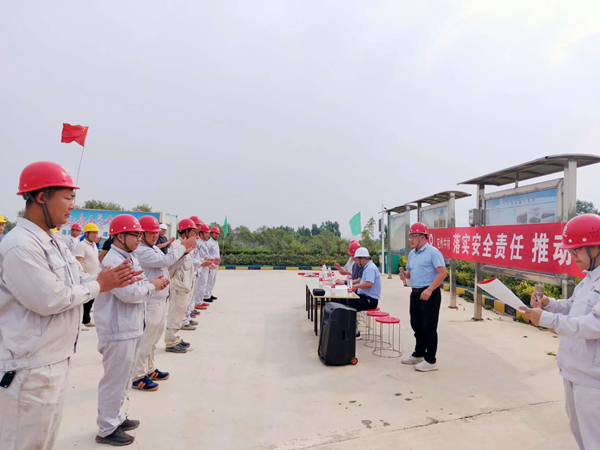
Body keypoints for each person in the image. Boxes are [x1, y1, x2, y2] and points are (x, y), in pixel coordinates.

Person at [0, 161, 137, 450]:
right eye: (68, 198)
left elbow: (76, 278)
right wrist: (101, 284)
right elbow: (50, 298)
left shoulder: (55, 241)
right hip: (29, 367)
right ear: (41, 197)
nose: (72, 206)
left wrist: (106, 278)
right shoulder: (21, 245)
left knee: (44, 441)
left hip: (54, 360)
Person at [520, 214, 600, 450]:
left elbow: (592, 325)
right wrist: (549, 303)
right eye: (570, 250)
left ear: (596, 246)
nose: (572, 255)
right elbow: (573, 306)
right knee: (581, 435)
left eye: (577, 249)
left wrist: (546, 319)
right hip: (574, 370)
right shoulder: (590, 278)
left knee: (594, 440)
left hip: (593, 380)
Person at [94, 214, 170, 446]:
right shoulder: (113, 261)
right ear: (119, 236)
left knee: (125, 378)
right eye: (134, 235)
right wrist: (152, 286)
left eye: (139, 235)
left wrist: (149, 285)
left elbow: (138, 285)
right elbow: (128, 293)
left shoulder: (129, 257)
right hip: (118, 329)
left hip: (130, 326)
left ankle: (116, 417)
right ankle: (107, 428)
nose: (139, 238)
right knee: (114, 380)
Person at [131, 216, 195, 390]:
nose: (155, 235)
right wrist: (182, 248)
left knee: (154, 338)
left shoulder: (153, 249)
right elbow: (165, 261)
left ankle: (149, 368)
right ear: (142, 234)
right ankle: (138, 375)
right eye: (151, 233)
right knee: (146, 339)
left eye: (156, 232)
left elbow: (168, 266)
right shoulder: (142, 251)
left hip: (159, 300)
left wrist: (184, 254)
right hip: (150, 301)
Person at [400, 222, 447, 372]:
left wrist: (430, 289)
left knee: (429, 327)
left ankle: (431, 360)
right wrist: (405, 275)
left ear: (423, 236)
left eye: (413, 236)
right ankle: (419, 353)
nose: (411, 239)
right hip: (415, 293)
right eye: (410, 237)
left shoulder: (433, 252)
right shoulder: (412, 254)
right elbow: (410, 272)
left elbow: (443, 273)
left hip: (429, 294)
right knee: (416, 324)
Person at [164, 219, 199, 353]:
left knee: (179, 314)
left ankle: (174, 338)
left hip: (184, 286)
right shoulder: (177, 245)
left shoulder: (185, 245)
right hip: (178, 286)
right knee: (174, 314)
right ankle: (171, 342)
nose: (194, 234)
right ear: (186, 231)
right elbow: (171, 265)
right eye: (192, 231)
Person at [348, 247, 381, 339]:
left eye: (357, 260)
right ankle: (350, 327)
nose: (356, 262)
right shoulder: (367, 267)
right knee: (346, 300)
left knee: (349, 304)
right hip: (365, 297)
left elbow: (369, 284)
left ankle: (354, 331)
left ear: (362, 258)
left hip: (370, 300)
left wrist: (356, 286)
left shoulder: (370, 268)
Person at [74, 223, 101, 328]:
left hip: (94, 276)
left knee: (90, 300)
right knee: (85, 300)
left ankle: (86, 320)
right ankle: (82, 321)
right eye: (93, 233)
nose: (95, 235)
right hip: (86, 278)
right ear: (86, 233)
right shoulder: (82, 245)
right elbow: (79, 260)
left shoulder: (94, 245)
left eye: (96, 233)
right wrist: (85, 273)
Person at [205, 226, 221, 301]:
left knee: (213, 280)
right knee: (209, 280)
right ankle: (206, 295)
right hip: (211, 264)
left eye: (218, 234)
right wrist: (212, 259)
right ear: (211, 234)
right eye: (215, 233)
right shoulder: (209, 243)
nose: (217, 235)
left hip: (216, 264)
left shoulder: (216, 242)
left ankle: (210, 293)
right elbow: (206, 254)